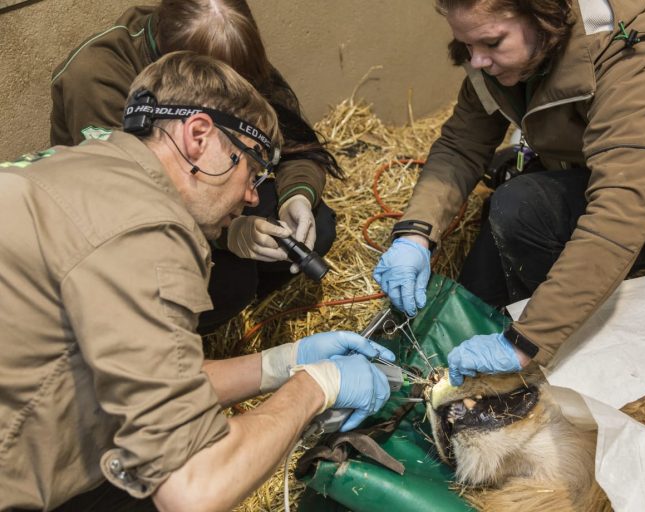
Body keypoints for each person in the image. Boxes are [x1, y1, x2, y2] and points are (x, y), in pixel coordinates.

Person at [0, 51, 394, 512]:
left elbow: (150, 374)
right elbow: (194, 488)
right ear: (199, 136)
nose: (252, 196)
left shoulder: (81, 168)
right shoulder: (147, 227)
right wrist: (314, 387)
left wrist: (283, 361)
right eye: (253, 170)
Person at [373, 0, 645, 385]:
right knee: (505, 195)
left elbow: (620, 212)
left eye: (492, 43)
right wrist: (415, 235)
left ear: (543, 17)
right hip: (581, 166)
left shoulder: (635, 52)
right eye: (466, 46)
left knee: (518, 207)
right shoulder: (507, 51)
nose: (477, 61)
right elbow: (462, 144)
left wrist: (527, 342)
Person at [50, 0, 343, 334]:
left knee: (315, 228)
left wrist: (297, 195)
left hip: (214, 186)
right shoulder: (97, 78)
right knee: (229, 285)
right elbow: (130, 211)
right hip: (143, 221)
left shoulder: (227, 50)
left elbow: (295, 143)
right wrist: (229, 236)